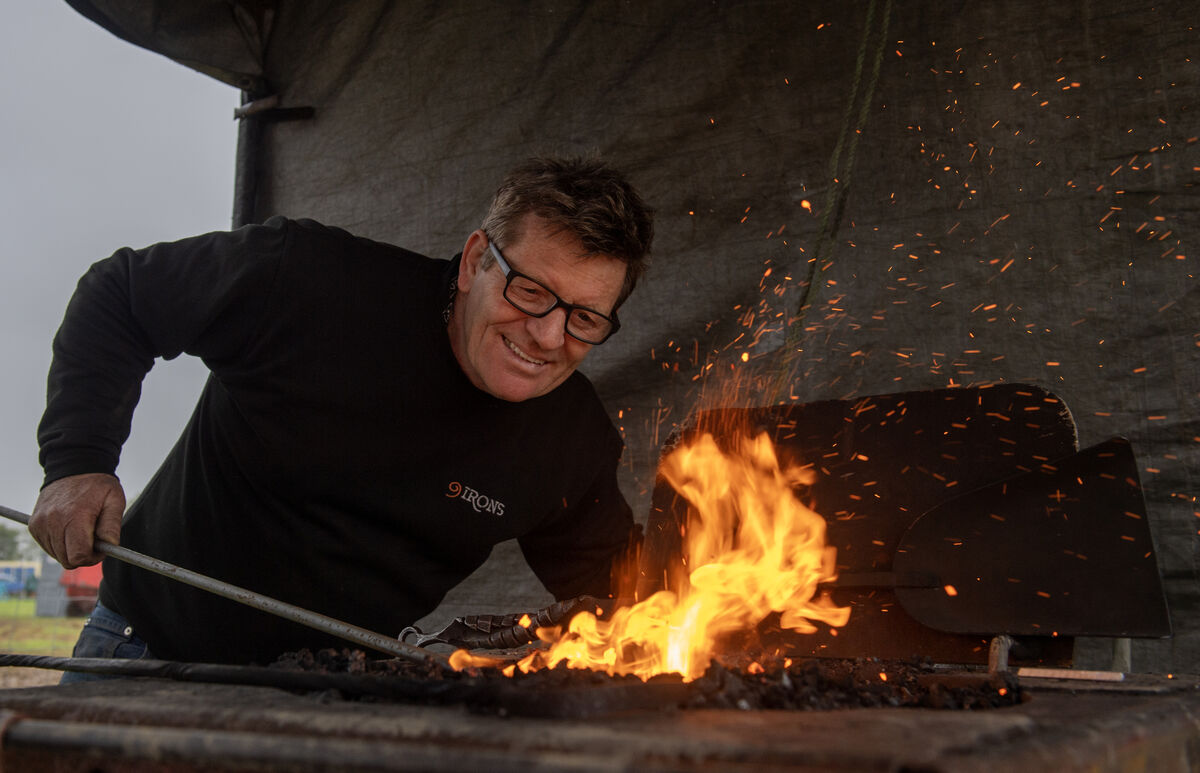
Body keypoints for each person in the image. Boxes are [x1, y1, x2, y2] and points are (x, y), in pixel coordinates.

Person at [29, 156, 653, 669]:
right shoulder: (307, 282)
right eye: (531, 291)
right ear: (473, 262)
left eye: (584, 317)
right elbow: (122, 296)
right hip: (145, 650)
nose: (547, 335)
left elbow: (617, 588)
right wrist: (78, 461)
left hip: (334, 691)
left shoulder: (572, 441)